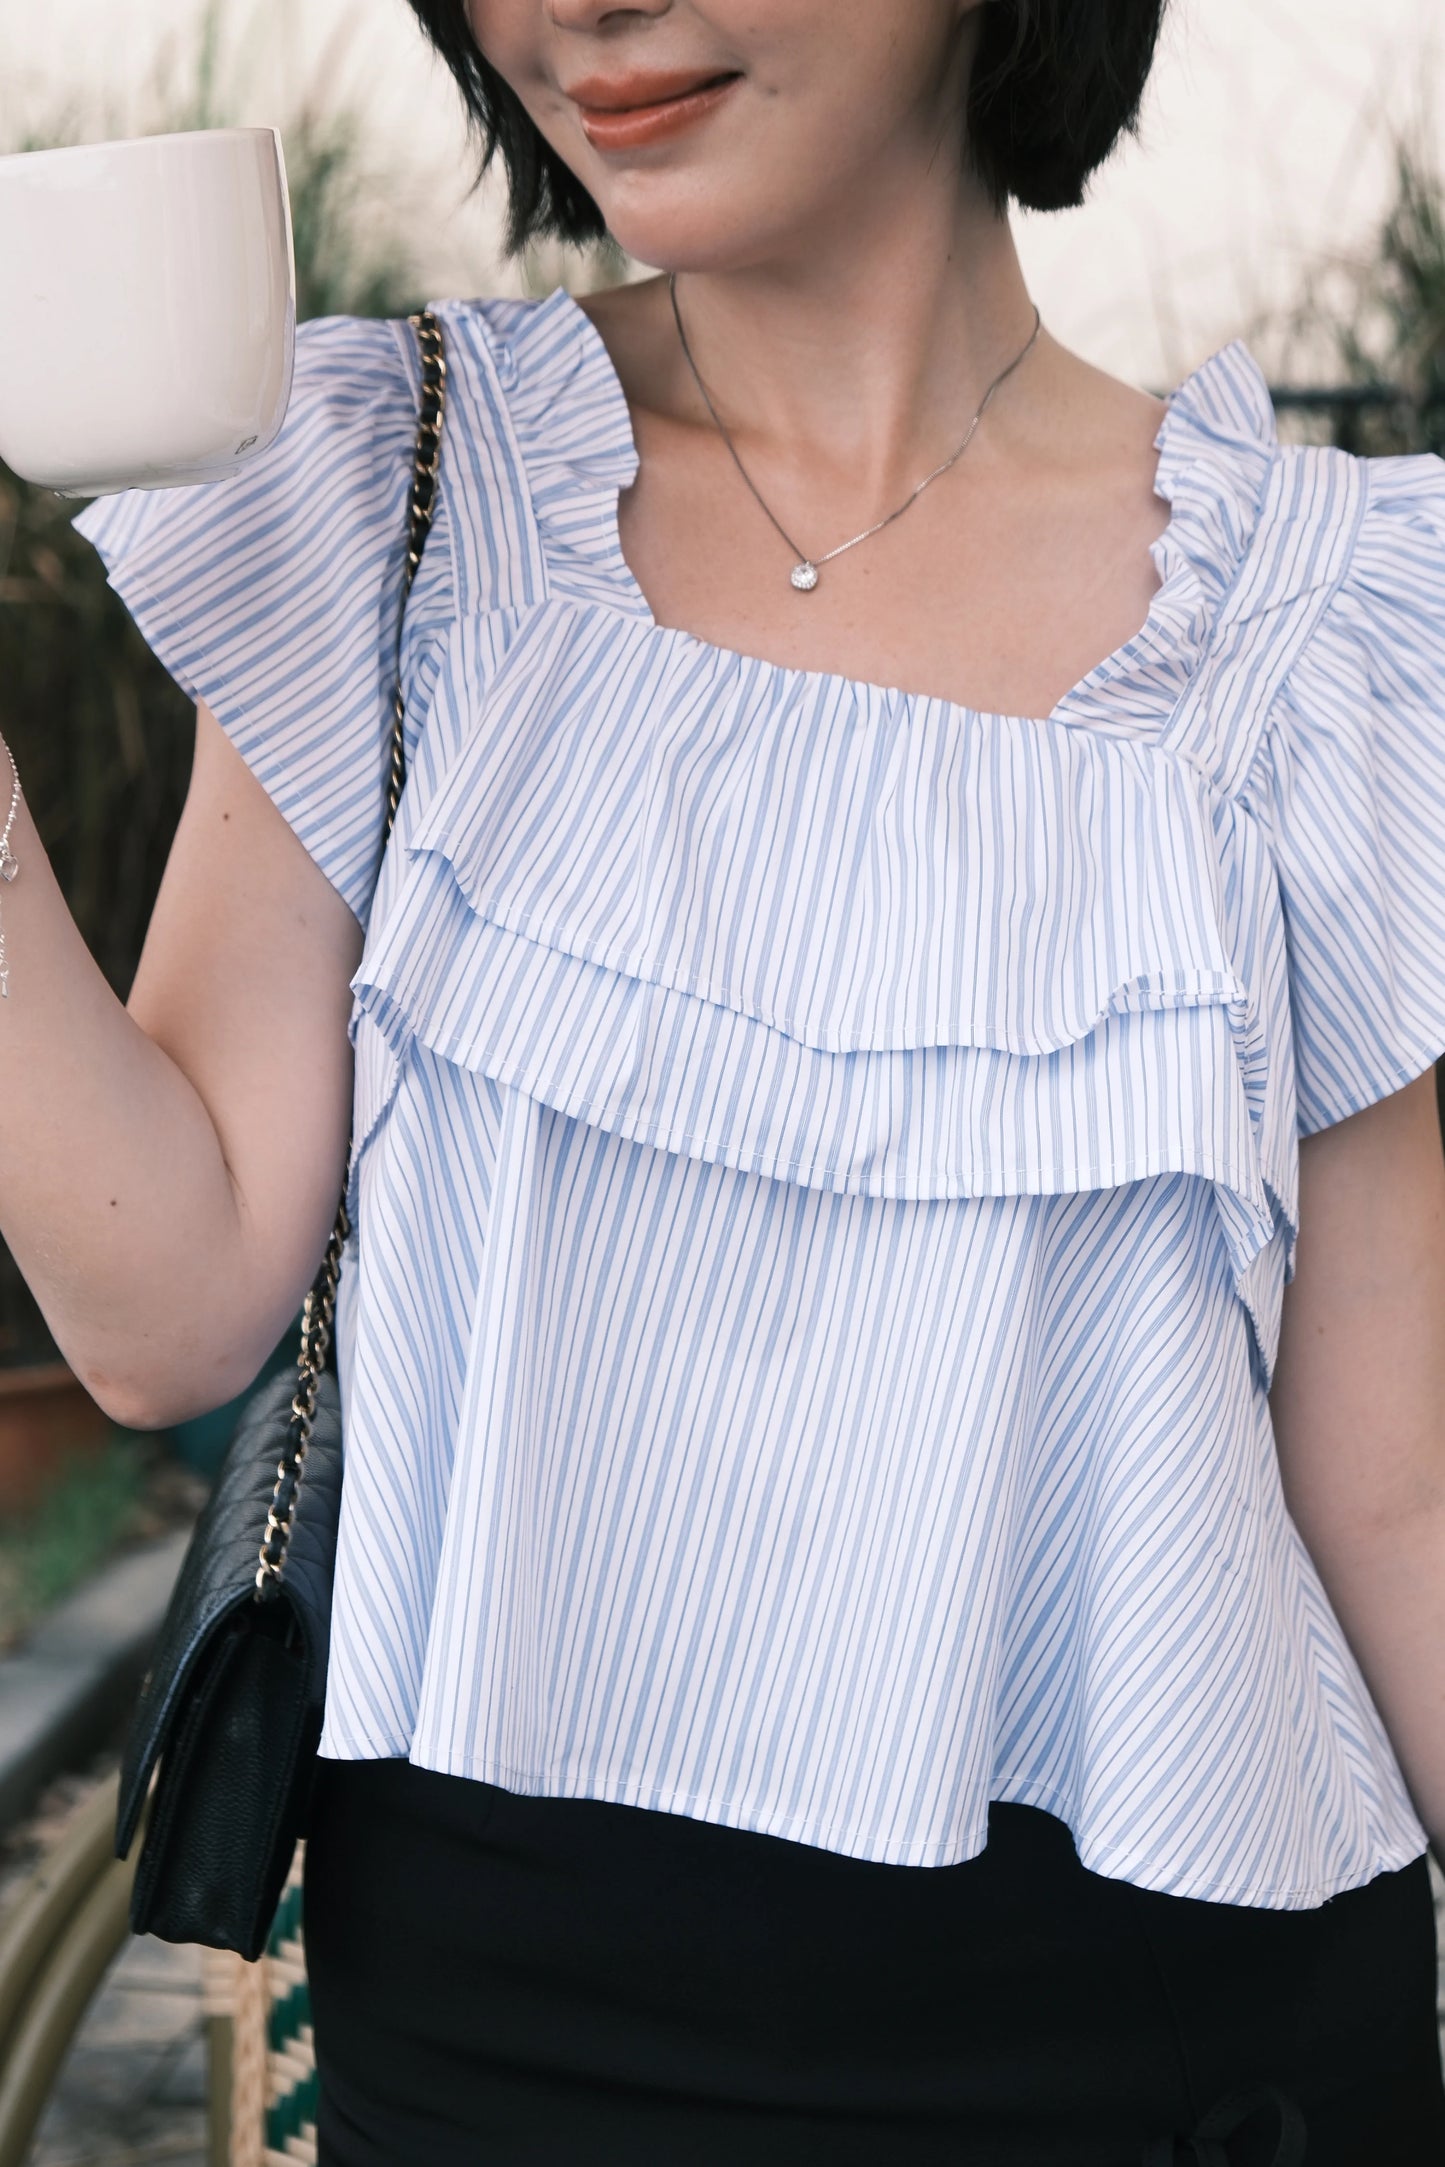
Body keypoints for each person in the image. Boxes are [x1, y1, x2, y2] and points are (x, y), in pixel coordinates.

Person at [2, 0, 1443, 2157]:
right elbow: (168, 1306)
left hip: (1187, 2064)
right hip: (502, 2063)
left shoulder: (1331, 615)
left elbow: (1395, 1493)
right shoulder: (393, 490)